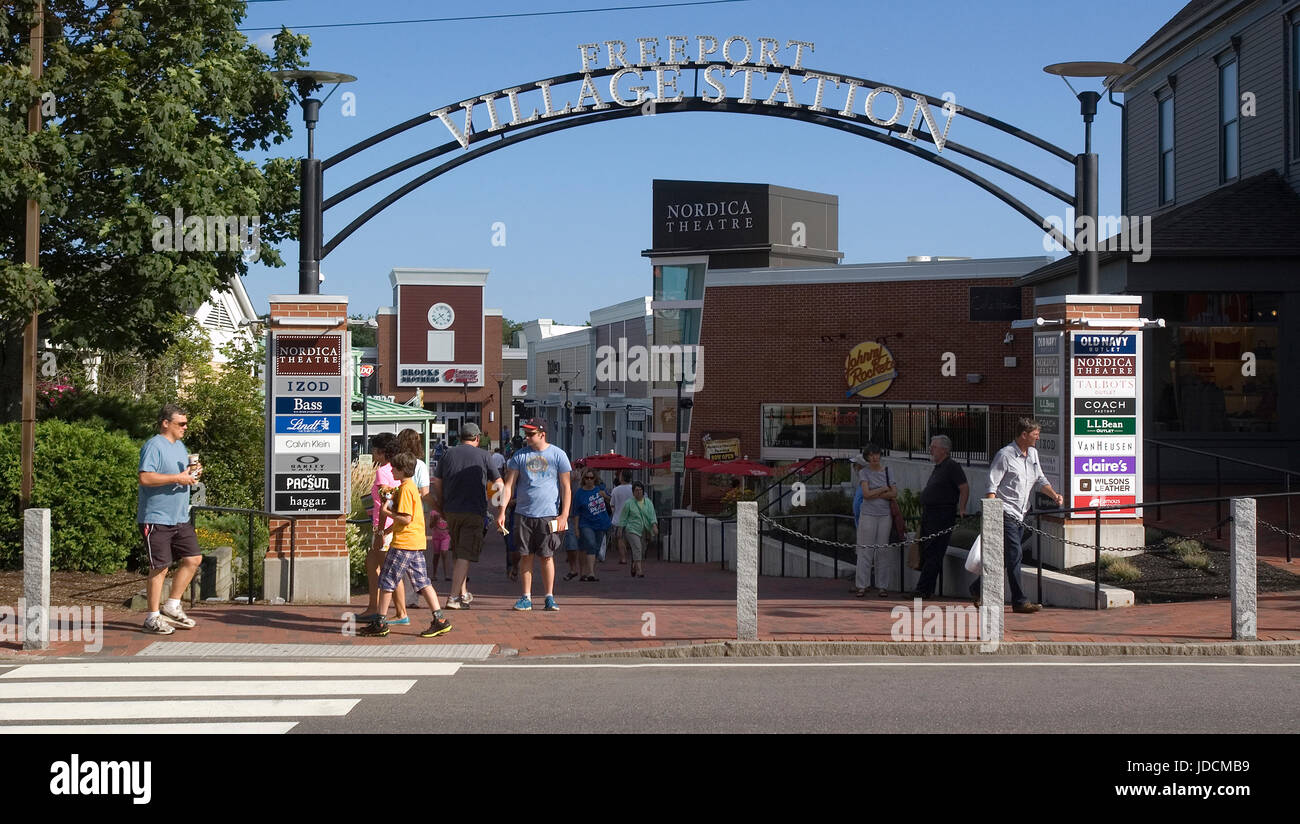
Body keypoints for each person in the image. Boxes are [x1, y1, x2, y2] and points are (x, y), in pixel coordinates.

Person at [973, 417, 1064, 613]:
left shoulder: (1033, 454)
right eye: (1035, 434)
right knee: (1015, 553)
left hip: (1023, 513)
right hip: (1005, 512)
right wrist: (991, 514)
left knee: (1007, 556)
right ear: (1024, 435)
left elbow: (1040, 479)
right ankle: (1019, 601)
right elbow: (992, 484)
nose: (1038, 438)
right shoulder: (1005, 455)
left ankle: (977, 587)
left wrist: (1054, 495)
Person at [359, 452, 452, 638]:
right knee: (423, 581)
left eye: (394, 468)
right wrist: (386, 530)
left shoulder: (405, 490)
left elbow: (406, 518)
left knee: (386, 580)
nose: (391, 470)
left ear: (401, 470)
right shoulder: (410, 488)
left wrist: (387, 513)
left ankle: (380, 622)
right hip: (415, 542)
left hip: (404, 543)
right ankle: (439, 619)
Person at [137, 404, 203, 634]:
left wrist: (191, 473)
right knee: (160, 567)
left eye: (186, 423)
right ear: (166, 423)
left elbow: (180, 476)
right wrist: (177, 478)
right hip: (156, 517)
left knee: (193, 558)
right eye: (181, 423)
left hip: (179, 517)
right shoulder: (154, 445)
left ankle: (172, 605)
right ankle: (152, 617)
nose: (185, 427)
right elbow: (145, 478)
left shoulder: (180, 446)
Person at [496, 418, 570, 611]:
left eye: (531, 434)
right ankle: (526, 596)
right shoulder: (519, 456)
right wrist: (502, 510)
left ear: (542, 434)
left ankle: (549, 596)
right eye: (526, 433)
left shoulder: (558, 455)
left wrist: (564, 515)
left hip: (548, 515)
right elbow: (509, 485)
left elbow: (566, 487)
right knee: (525, 555)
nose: (527, 437)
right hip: (523, 513)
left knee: (547, 556)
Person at [434, 423, 500, 610]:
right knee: (465, 554)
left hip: (451, 511)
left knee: (457, 551)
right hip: (473, 511)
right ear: (477, 438)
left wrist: (441, 503)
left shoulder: (447, 454)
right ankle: (453, 597)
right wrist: (497, 505)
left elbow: (437, 482)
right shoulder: (484, 455)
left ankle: (462, 593)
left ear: (460, 437)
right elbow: (499, 483)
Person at [912, 435, 969, 599]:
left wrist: (962, 508)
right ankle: (924, 587)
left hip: (942, 515)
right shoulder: (938, 467)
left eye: (934, 447)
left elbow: (964, 487)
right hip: (930, 514)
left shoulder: (952, 466)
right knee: (927, 551)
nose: (931, 449)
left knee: (934, 552)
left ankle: (923, 590)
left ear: (944, 450)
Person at [392, 428, 432, 617]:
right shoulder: (421, 465)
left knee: (397, 559)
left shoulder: (396, 466)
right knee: (414, 561)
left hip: (397, 513)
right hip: (416, 516)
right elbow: (425, 493)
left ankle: (401, 601)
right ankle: (411, 597)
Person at [360, 432, 398, 622]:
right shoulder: (397, 470)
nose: (373, 454)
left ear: (382, 452)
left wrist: (381, 531)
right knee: (373, 564)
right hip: (391, 525)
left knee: (387, 570)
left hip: (383, 526)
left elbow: (386, 502)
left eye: (374, 450)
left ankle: (394, 611)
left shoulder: (382, 472)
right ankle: (374, 606)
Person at [854, 443, 897, 597]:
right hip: (868, 514)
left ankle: (882, 586)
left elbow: (894, 493)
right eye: (871, 455)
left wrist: (876, 493)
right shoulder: (864, 472)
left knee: (882, 550)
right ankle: (862, 585)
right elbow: (866, 494)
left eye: (877, 454)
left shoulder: (888, 470)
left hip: (884, 514)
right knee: (866, 549)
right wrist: (882, 489)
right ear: (867, 457)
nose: (875, 457)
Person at [574, 469, 612, 581]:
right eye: (587, 478)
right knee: (590, 543)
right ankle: (590, 573)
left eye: (591, 478)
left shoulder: (600, 489)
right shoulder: (579, 493)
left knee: (596, 547)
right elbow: (576, 512)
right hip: (586, 523)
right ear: (583, 479)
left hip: (600, 523)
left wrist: (605, 496)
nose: (589, 480)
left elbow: (612, 501)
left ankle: (590, 571)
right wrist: (576, 528)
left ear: (595, 479)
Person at [617, 481, 658, 578]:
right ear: (633, 492)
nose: (638, 492)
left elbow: (652, 515)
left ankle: (634, 564)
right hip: (632, 529)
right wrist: (620, 529)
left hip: (644, 529)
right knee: (637, 547)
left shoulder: (648, 502)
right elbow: (623, 517)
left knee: (642, 550)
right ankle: (639, 570)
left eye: (640, 490)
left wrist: (654, 526)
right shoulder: (629, 503)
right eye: (636, 490)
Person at [608, 469, 634, 565]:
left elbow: (612, 505)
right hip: (631, 518)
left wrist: (614, 512)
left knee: (620, 538)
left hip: (618, 518)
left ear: (621, 478)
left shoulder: (615, 490)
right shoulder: (633, 489)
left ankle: (623, 558)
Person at [562, 467, 584, 581]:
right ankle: (573, 569)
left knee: (584, 546)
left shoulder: (587, 482)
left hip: (584, 518)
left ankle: (584, 571)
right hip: (570, 517)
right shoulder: (566, 481)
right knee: (570, 545)